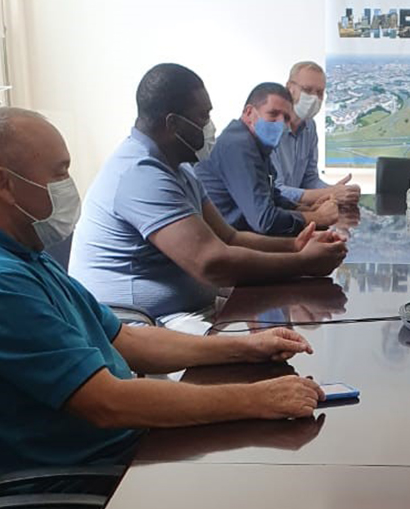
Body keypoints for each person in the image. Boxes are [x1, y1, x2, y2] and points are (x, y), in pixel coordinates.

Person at [0, 107, 326, 477]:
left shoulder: (19, 251)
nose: (69, 185)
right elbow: (107, 402)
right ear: (4, 184)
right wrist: (258, 398)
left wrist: (245, 348)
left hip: (121, 447)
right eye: (60, 172)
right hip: (85, 479)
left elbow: (123, 338)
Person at [69, 64, 347, 320]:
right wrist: (301, 262)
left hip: (191, 308)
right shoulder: (140, 173)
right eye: (203, 116)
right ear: (172, 124)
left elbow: (229, 236)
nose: (209, 126)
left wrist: (294, 245)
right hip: (140, 324)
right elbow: (211, 263)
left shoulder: (181, 168)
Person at [194, 82, 339, 236]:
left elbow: (272, 195)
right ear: (249, 112)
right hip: (224, 242)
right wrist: (318, 217)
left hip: (242, 237)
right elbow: (265, 221)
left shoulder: (258, 145)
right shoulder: (238, 145)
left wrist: (304, 209)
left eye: (286, 118)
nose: (280, 123)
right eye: (273, 114)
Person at [272, 61, 360, 207]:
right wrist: (329, 193)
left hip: (295, 212)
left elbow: (309, 179)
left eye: (320, 93)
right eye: (307, 90)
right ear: (289, 88)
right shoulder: (269, 128)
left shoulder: (309, 126)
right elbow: (275, 190)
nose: (314, 98)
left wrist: (339, 191)